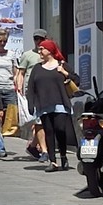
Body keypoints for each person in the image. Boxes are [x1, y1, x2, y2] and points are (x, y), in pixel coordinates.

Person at [27, 42, 77, 171]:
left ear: (49, 50)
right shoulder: (37, 68)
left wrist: (64, 72)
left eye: (42, 49)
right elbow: (31, 87)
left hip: (61, 103)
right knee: (48, 132)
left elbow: (77, 80)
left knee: (60, 129)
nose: (39, 52)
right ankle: (53, 161)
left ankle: (63, 156)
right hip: (43, 104)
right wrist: (31, 104)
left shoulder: (62, 65)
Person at [0, 34, 18, 153]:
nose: (2, 43)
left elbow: (15, 71)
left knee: (10, 116)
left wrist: (17, 85)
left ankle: (2, 138)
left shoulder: (11, 54)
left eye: (4, 41)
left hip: (9, 88)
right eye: (0, 41)